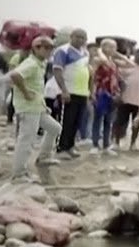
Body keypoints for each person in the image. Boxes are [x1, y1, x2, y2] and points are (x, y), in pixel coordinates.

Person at [7, 36, 61, 179]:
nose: (49, 51)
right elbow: (15, 75)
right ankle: (19, 174)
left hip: (37, 107)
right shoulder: (31, 63)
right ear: (36, 48)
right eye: (46, 47)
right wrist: (25, 92)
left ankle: (43, 158)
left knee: (55, 128)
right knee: (27, 139)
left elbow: (36, 88)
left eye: (51, 48)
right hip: (28, 107)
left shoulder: (39, 64)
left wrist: (43, 105)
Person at [52, 29, 91, 158]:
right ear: (71, 37)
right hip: (68, 91)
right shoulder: (63, 51)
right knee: (66, 121)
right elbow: (57, 71)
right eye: (78, 37)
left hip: (82, 92)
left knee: (77, 122)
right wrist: (63, 90)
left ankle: (70, 146)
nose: (80, 40)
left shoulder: (85, 53)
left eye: (83, 38)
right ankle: (61, 148)